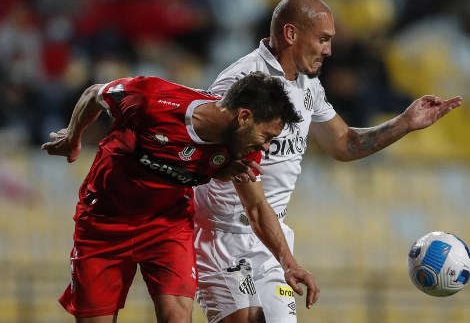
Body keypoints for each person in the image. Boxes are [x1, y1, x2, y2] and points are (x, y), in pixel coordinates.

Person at [193, 0, 463, 323]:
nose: (329, 50)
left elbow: (342, 143)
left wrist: (405, 123)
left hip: (271, 237)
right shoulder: (241, 83)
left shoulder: (308, 85)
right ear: (291, 34)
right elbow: (203, 153)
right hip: (224, 234)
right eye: (323, 39)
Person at [41, 71, 319, 323]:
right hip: (103, 225)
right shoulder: (150, 99)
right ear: (244, 116)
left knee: (176, 318)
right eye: (267, 135)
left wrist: (290, 264)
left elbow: (257, 207)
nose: (267, 146)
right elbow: (94, 94)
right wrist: (73, 137)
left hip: (167, 227)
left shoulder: (243, 147)